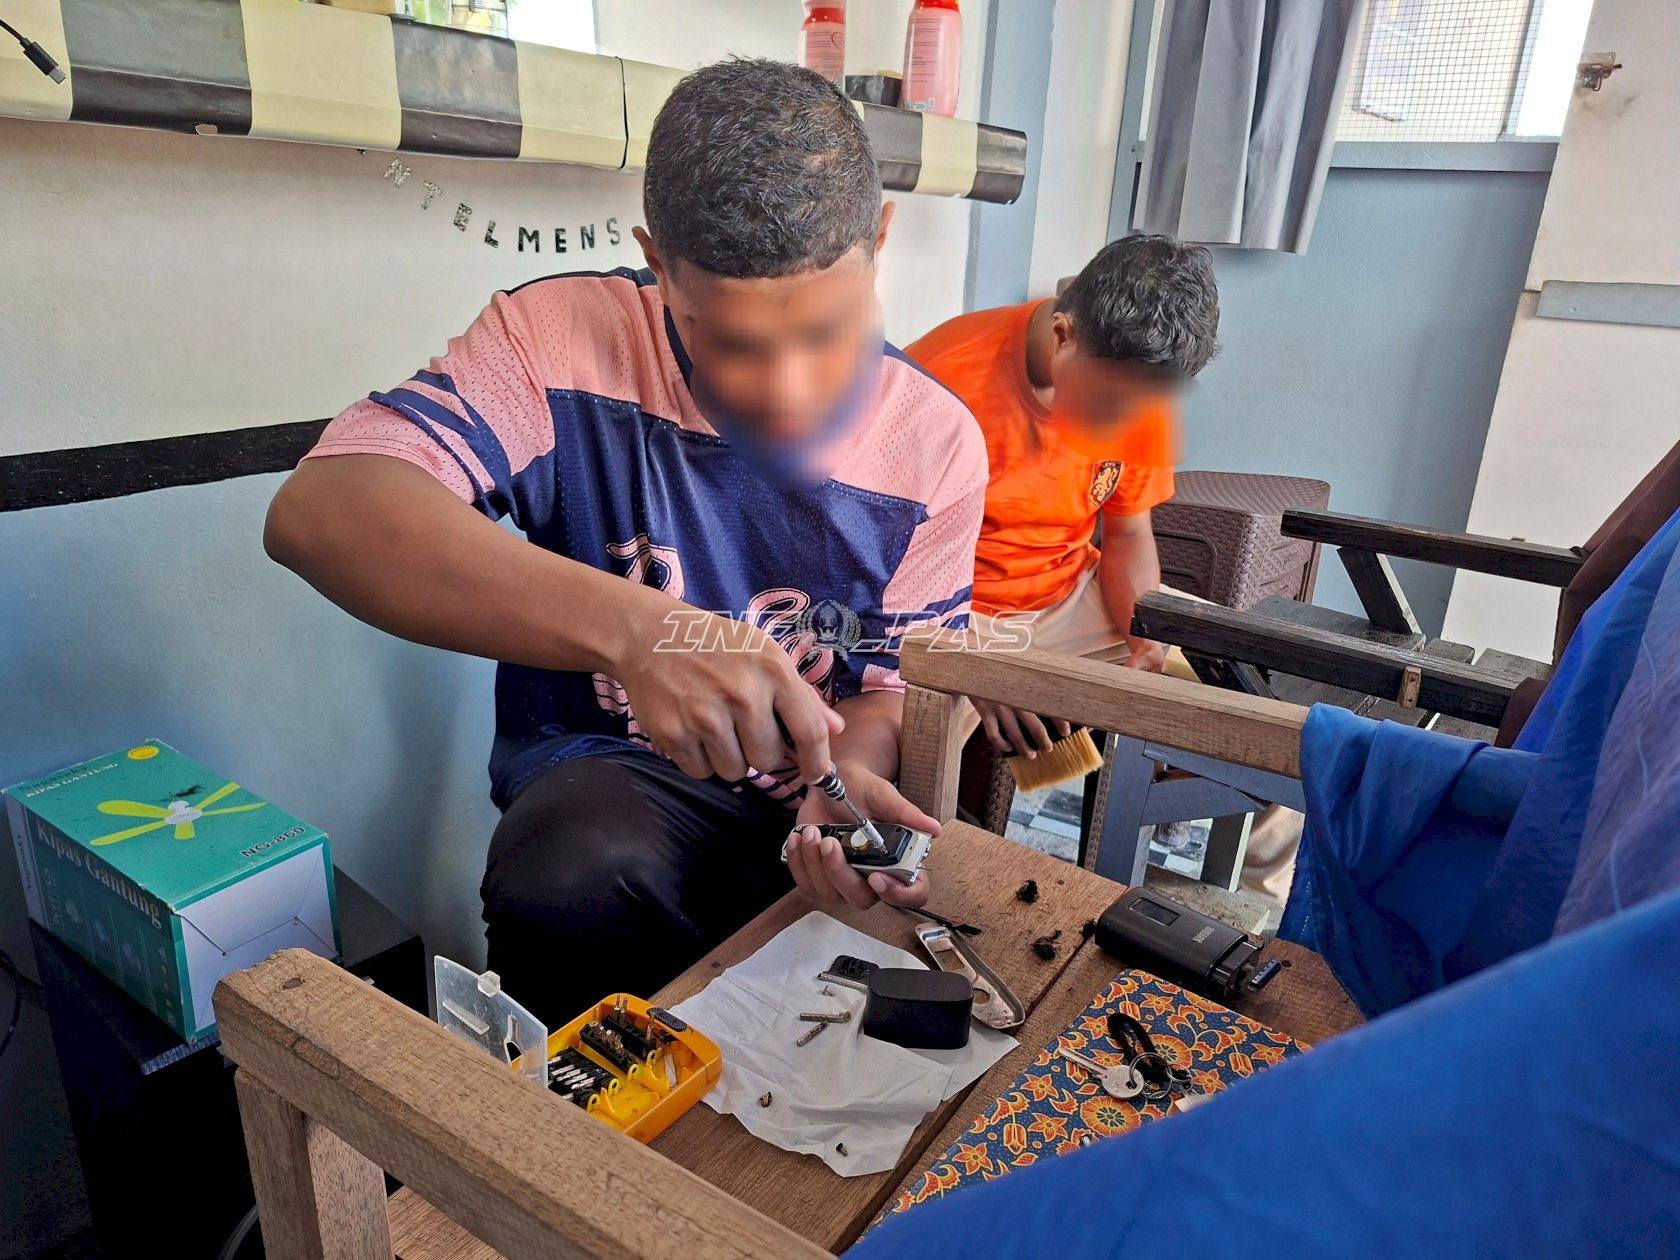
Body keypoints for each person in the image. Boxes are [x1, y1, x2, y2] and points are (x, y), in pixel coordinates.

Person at [263, 59, 986, 1025]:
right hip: (619, 799)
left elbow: (891, 687)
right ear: (656, 262)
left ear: (881, 240)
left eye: (828, 330)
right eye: (729, 342)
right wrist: (640, 634)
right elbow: (322, 511)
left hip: (806, 815)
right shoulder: (558, 339)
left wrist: (844, 776)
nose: (787, 392)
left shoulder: (935, 444)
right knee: (573, 872)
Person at [908, 235, 1298, 902]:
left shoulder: (1140, 392)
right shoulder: (938, 382)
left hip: (1068, 593)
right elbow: (882, 565)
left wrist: (1148, 637)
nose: (1119, 423)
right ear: (1064, 336)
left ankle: (1260, 916)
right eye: (1106, 403)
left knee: (1255, 717)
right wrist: (974, 658)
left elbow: (1125, 536)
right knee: (911, 764)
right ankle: (939, 906)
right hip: (944, 608)